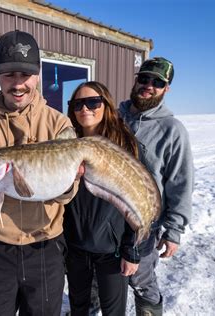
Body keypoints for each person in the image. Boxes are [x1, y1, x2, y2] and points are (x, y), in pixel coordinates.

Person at [0, 30, 82, 315]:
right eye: (9, 74)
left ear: (37, 75)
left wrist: (69, 181)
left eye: (25, 75)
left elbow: (66, 195)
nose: (18, 84)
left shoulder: (58, 123)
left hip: (45, 247)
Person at [119, 57, 194, 315]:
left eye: (158, 82)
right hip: (106, 218)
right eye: (144, 78)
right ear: (136, 79)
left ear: (166, 88)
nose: (148, 85)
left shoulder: (172, 130)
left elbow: (181, 183)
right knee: (100, 274)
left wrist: (174, 230)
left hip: (144, 224)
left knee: (140, 280)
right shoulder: (115, 117)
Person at [64, 81, 141, 316]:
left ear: (106, 105)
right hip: (75, 246)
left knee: (112, 311)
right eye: (78, 104)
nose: (85, 109)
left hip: (112, 249)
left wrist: (131, 250)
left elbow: (140, 203)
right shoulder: (66, 145)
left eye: (93, 102)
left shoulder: (125, 146)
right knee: (78, 307)